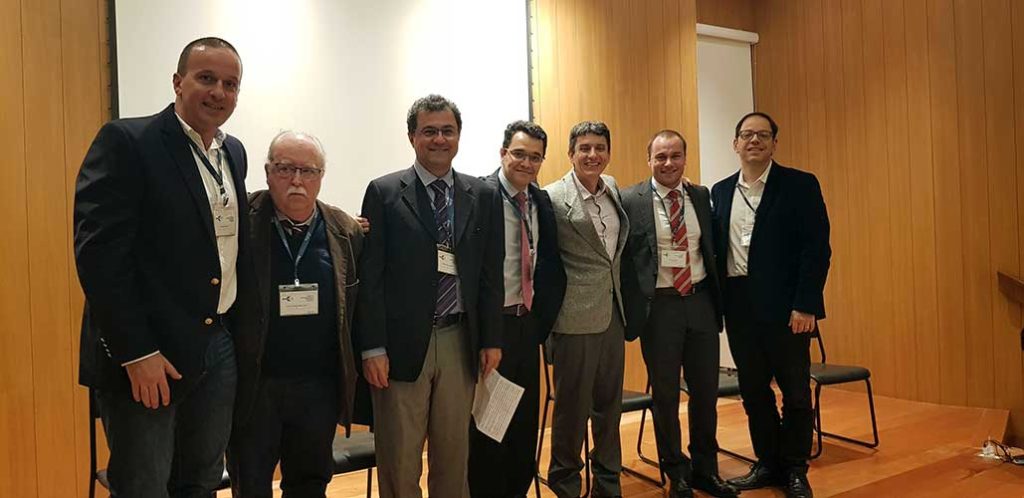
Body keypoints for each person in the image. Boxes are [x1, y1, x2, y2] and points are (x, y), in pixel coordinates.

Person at [74, 37, 246, 497]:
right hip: (151, 353)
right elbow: (99, 256)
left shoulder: (233, 152)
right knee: (144, 486)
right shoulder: (129, 142)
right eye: (206, 78)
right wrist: (136, 352)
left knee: (202, 481)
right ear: (178, 82)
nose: (219, 92)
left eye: (230, 84)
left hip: (217, 344)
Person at [355, 94, 504, 498]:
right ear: (412, 137)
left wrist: (491, 338)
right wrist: (372, 347)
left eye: (447, 131)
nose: (439, 139)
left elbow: (490, 273)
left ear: (459, 136)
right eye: (430, 131)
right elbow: (370, 278)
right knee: (400, 459)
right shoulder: (385, 192)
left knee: (453, 457)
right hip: (400, 347)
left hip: (460, 340)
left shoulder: (483, 194)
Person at [227, 131, 364, 497]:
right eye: (285, 169)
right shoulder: (241, 224)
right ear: (268, 172)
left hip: (318, 387)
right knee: (250, 484)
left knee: (310, 484)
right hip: (256, 386)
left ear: (321, 176)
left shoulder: (345, 230)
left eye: (308, 171)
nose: (297, 180)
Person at [711, 112, 831, 498]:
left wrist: (806, 304)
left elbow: (817, 249)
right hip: (739, 306)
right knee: (753, 390)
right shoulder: (721, 191)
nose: (754, 141)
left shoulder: (799, 185)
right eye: (747, 135)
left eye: (763, 135)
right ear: (735, 144)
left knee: (795, 391)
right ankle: (767, 462)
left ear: (774, 144)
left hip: (788, 309)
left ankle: (795, 468)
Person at [620, 130, 739, 498]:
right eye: (660, 157)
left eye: (675, 156)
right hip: (660, 307)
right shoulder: (631, 199)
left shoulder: (700, 195)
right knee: (666, 395)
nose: (668, 163)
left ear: (685, 158)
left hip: (700, 301)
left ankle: (706, 469)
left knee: (705, 392)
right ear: (649, 160)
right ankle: (677, 472)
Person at [468, 121, 566, 498]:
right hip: (492, 329)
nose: (527, 163)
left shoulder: (539, 200)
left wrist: (541, 322)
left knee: (524, 424)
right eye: (519, 154)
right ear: (503, 153)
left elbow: (550, 264)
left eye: (535, 157)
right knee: (490, 426)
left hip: (527, 327)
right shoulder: (479, 195)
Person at [543, 121, 630, 498]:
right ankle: (566, 485)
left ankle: (608, 485)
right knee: (571, 412)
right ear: (571, 153)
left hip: (613, 314)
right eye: (584, 148)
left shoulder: (612, 188)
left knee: (609, 408)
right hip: (573, 320)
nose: (593, 155)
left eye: (599, 148)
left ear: (608, 152)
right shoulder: (551, 197)